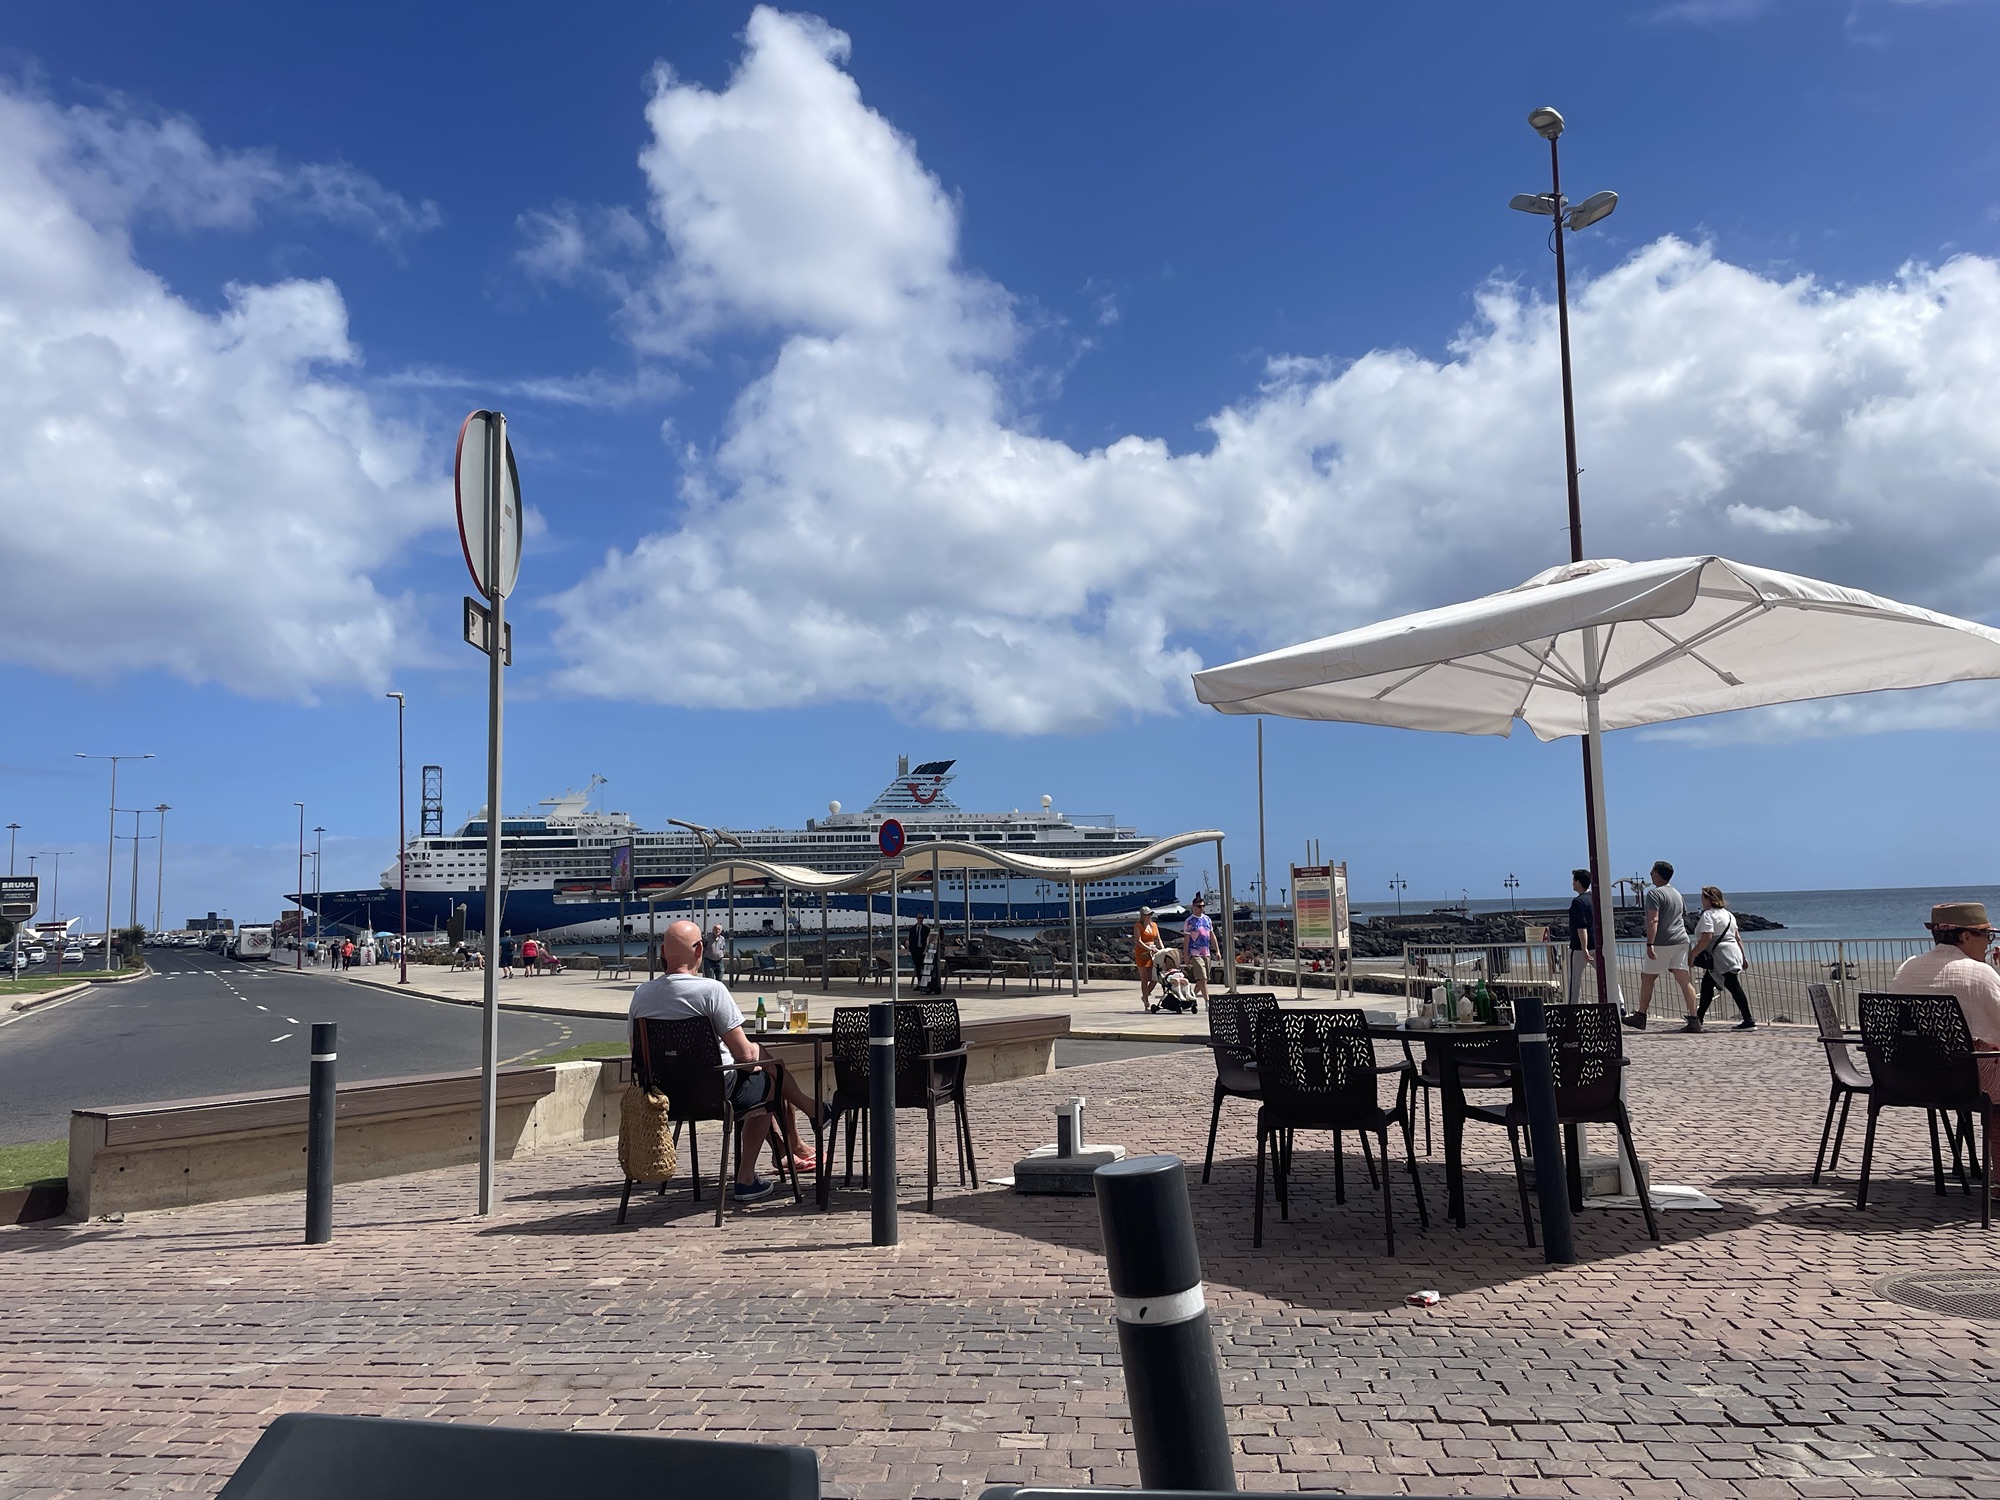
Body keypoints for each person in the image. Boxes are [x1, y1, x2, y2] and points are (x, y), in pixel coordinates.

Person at [630, 919, 823, 1201]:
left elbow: (637, 1052)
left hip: (665, 1098)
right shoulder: (711, 990)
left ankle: (792, 1138)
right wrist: (756, 1054)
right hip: (716, 1094)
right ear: (699, 950)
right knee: (769, 1080)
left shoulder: (641, 995)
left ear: (662, 952)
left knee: (761, 1070)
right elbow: (745, 1056)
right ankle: (746, 1177)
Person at [1890, 902, 2000, 1101]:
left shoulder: (1906, 968)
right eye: (1987, 935)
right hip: (1969, 1083)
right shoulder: (1979, 973)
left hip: (1911, 1078)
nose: (1988, 943)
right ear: (1966, 937)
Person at [1624, 860, 1699, 1032]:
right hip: (1681, 940)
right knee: (1684, 980)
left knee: (1647, 977)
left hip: (1663, 942)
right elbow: (1682, 916)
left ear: (1657, 874)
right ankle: (1694, 1019)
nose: (1650, 874)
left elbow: (1653, 919)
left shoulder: (1654, 894)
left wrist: (1650, 943)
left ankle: (1641, 1016)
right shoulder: (1677, 894)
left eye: (1652, 872)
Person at [1689, 886, 1754, 1031]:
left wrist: (1693, 954)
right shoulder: (1729, 915)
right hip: (1732, 952)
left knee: (1733, 985)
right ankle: (1698, 1019)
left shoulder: (1708, 915)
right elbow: (1737, 937)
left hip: (1721, 955)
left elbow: (1707, 937)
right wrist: (1743, 957)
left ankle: (1748, 1019)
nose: (1701, 901)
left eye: (1703, 898)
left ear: (1708, 899)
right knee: (1707, 985)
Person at [1566, 868, 1597, 1003]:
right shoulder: (1595, 899)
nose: (1572, 883)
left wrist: (1584, 948)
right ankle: (1619, 1003)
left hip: (1579, 948)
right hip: (1596, 944)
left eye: (1574, 880)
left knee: (1574, 978)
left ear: (1578, 882)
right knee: (1607, 974)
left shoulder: (1578, 902)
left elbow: (1581, 927)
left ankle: (1572, 1006)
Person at [1181, 894, 1217, 1003]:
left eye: (1203, 906)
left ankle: (1190, 996)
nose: (1202, 908)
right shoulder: (1189, 921)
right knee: (1202, 978)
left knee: (1204, 980)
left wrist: (1217, 950)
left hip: (1206, 953)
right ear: (1193, 907)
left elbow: (1212, 935)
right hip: (1195, 953)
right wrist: (1185, 955)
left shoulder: (1207, 919)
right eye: (1199, 906)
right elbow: (1186, 940)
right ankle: (1207, 1002)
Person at [1132, 907, 1162, 1008]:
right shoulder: (1138, 926)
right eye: (1147, 914)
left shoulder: (1154, 925)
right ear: (1142, 916)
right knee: (1144, 977)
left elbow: (1158, 939)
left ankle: (1145, 995)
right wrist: (1148, 948)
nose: (1149, 916)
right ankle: (1146, 1001)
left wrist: (1163, 950)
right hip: (1142, 953)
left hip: (1153, 953)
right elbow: (1138, 941)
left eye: (1150, 914)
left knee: (1154, 977)